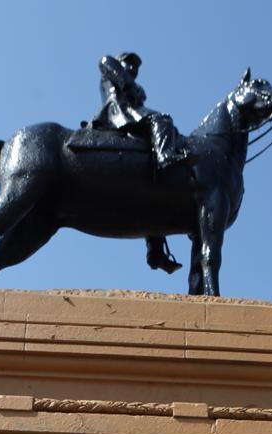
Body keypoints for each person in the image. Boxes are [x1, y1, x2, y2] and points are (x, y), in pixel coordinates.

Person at [90, 51, 188, 274]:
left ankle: (156, 252)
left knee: (154, 190)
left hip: (129, 114)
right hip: (118, 113)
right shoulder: (111, 65)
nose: (133, 69)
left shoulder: (126, 79)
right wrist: (133, 85)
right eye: (130, 63)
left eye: (136, 67)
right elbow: (107, 63)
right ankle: (166, 157)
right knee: (161, 119)